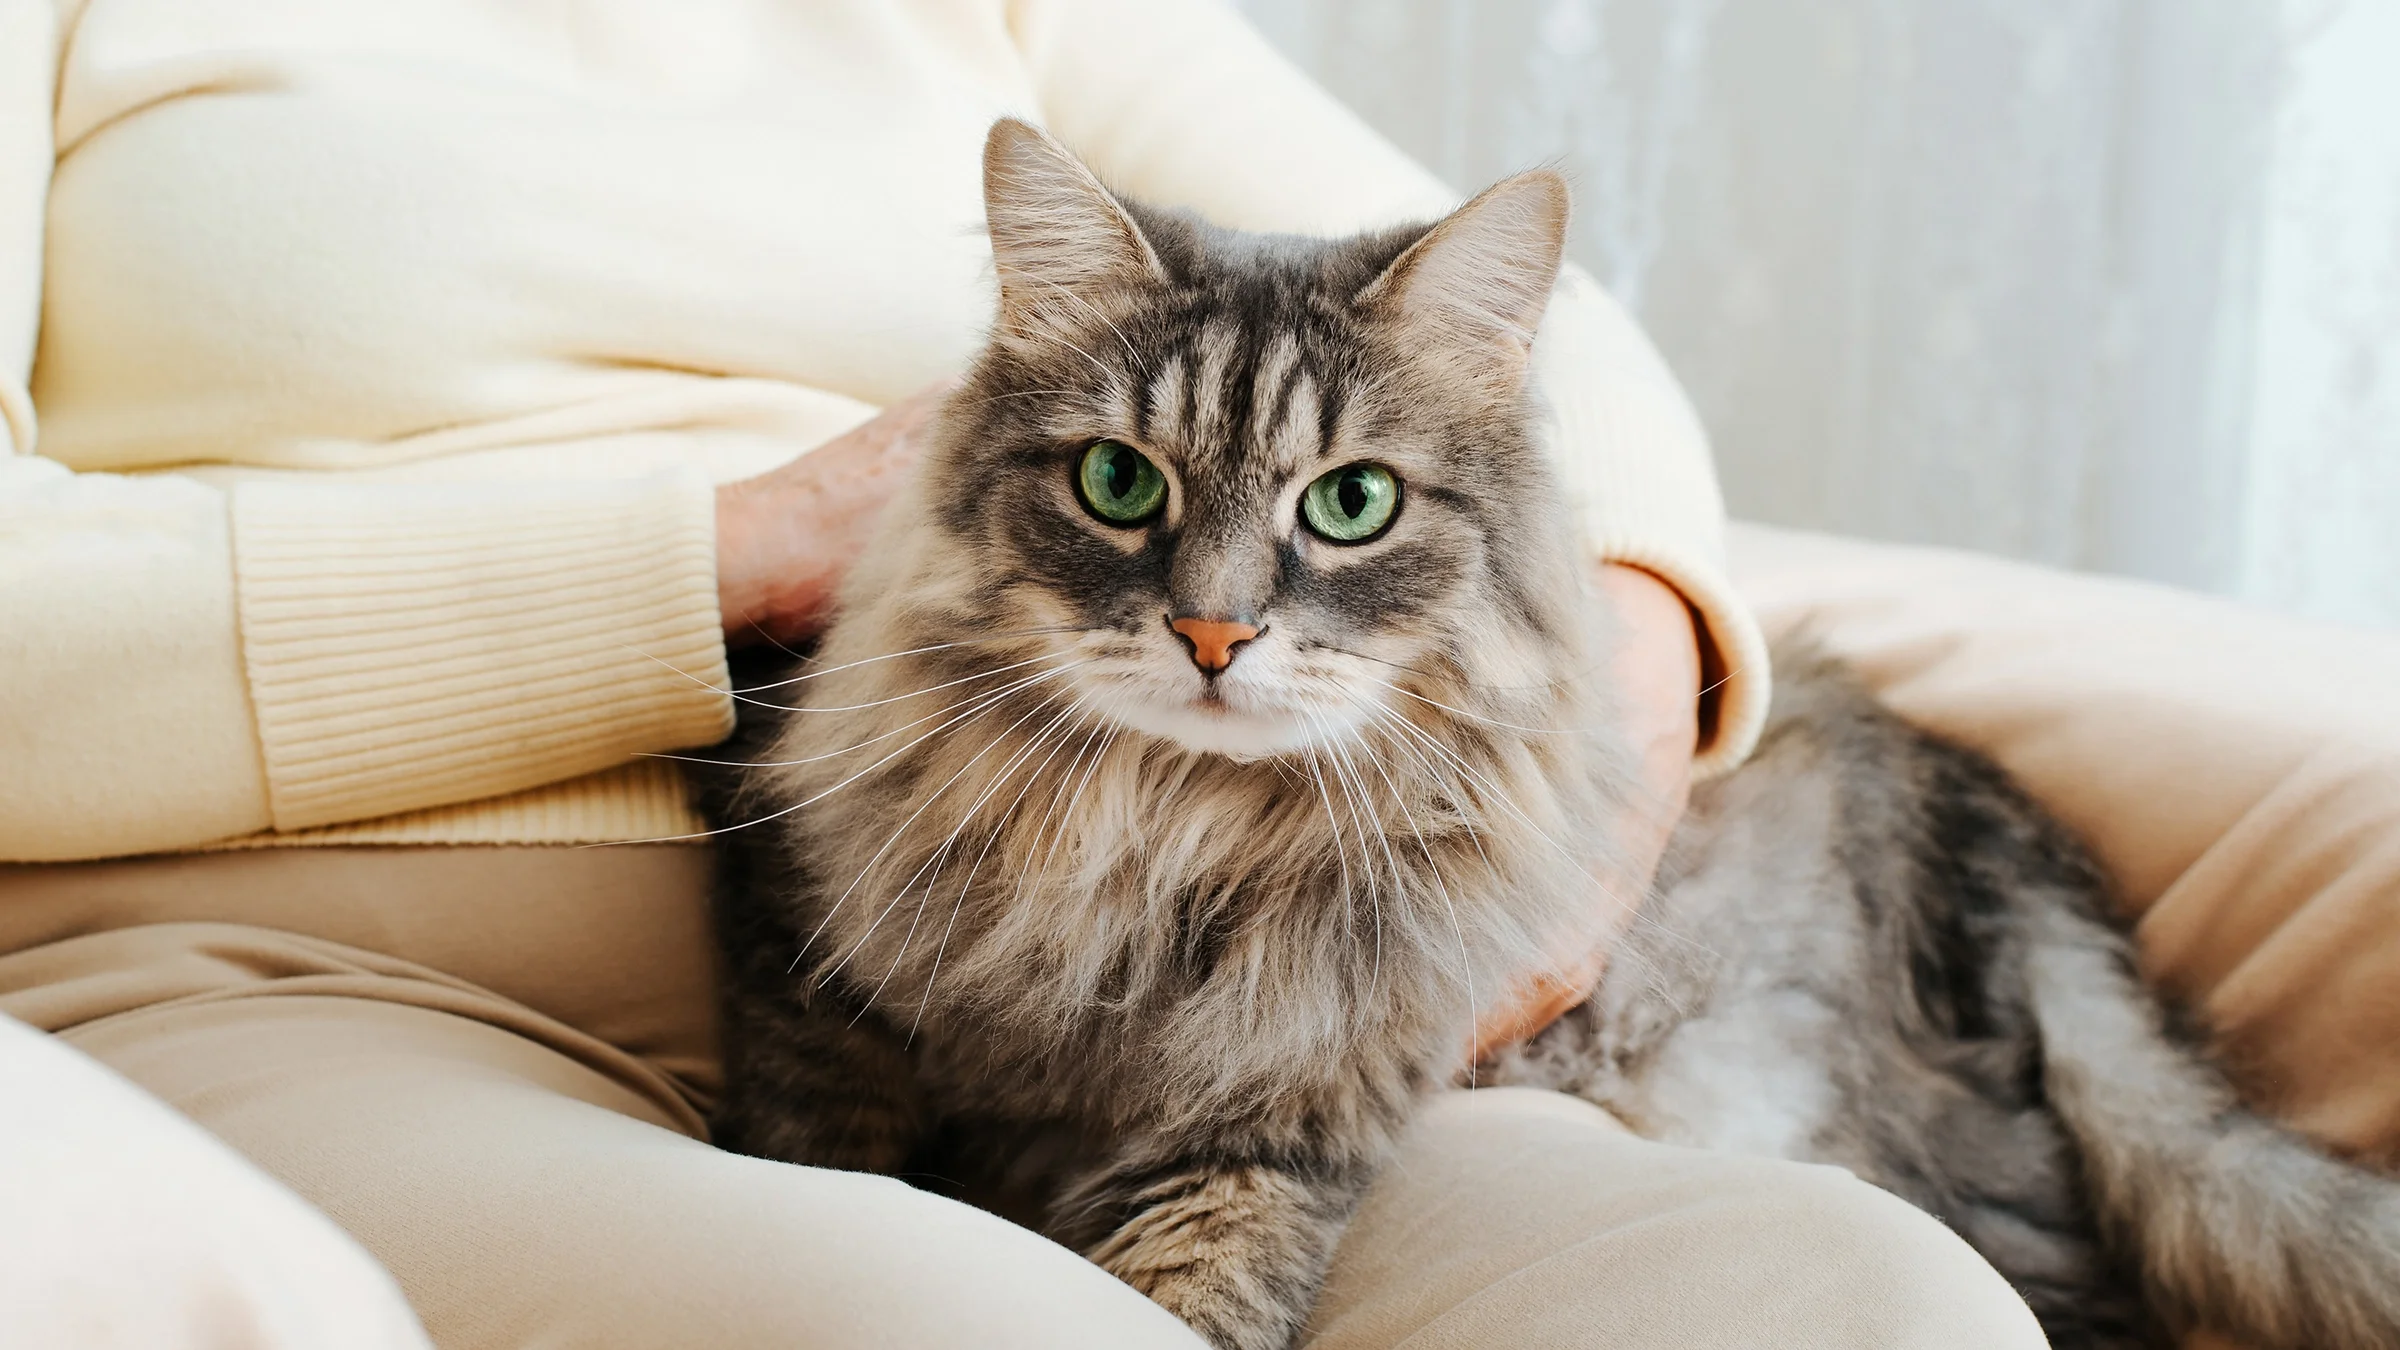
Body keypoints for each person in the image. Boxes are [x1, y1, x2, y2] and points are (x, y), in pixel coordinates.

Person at [0, 0, 2046, 1346]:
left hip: (1094, 966)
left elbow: (1519, 316)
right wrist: (721, 554)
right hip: (330, 974)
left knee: (1852, 1299)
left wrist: (1631, 686)